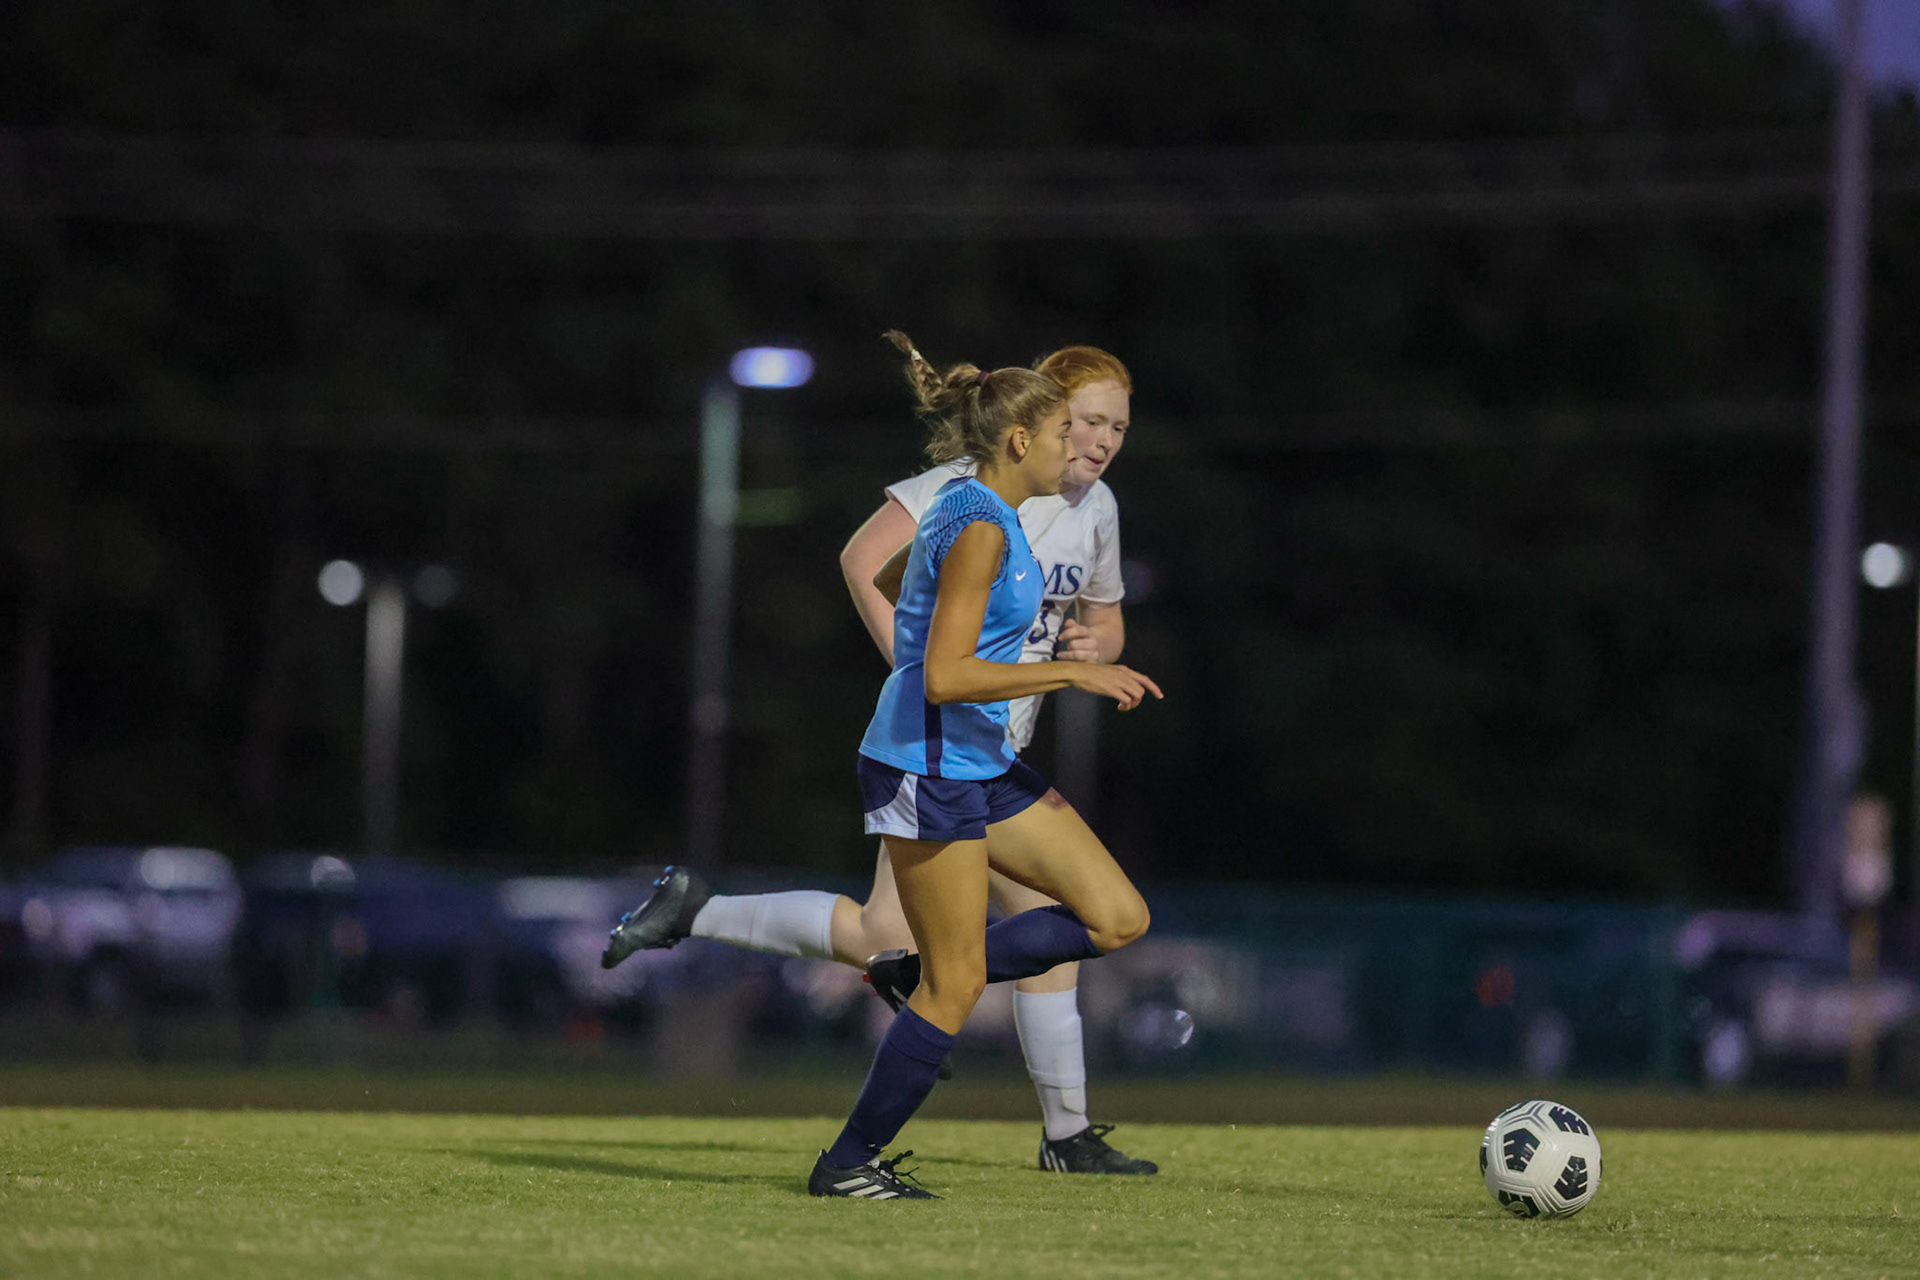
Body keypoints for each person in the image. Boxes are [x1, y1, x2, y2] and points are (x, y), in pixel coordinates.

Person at [605, 344, 1154, 1175]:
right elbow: (937, 666)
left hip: (983, 757)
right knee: (956, 978)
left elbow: (1040, 631)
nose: (1093, 443)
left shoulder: (1046, 509)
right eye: (1074, 426)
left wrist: (1084, 650)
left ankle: (723, 919)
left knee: (1108, 918)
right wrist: (1065, 667)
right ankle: (863, 1158)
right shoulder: (975, 515)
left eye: (1114, 425)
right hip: (932, 761)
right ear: (1022, 437)